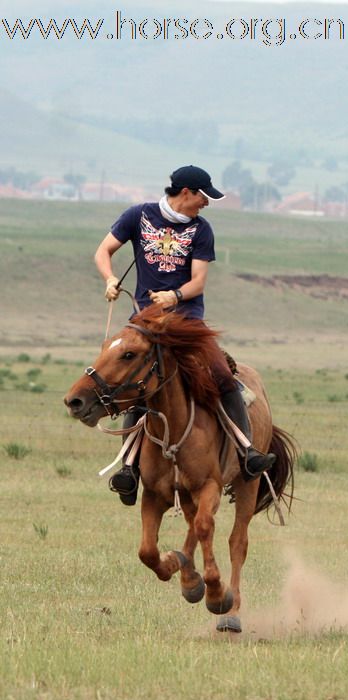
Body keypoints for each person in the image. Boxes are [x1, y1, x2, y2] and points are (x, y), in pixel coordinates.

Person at [95, 165, 275, 505]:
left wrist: (175, 296)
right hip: (145, 323)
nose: (207, 203)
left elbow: (198, 283)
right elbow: (103, 251)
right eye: (205, 196)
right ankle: (130, 469)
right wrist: (109, 279)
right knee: (135, 387)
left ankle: (247, 450)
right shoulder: (138, 215)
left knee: (222, 375)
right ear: (188, 192)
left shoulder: (201, 230)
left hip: (188, 322)